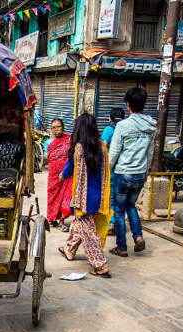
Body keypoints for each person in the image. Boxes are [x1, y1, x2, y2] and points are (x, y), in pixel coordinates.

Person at [58, 114, 112, 278]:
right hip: (99, 197)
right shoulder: (102, 147)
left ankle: (99, 264)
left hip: (83, 198)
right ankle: (69, 249)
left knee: (88, 231)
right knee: (79, 223)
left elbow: (70, 166)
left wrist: (62, 175)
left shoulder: (79, 149)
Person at [109, 87, 156, 257]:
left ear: (127, 105)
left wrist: (106, 169)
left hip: (123, 173)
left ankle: (121, 247)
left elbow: (113, 153)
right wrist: (146, 170)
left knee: (119, 210)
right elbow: (150, 152)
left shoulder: (122, 126)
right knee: (131, 205)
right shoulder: (151, 125)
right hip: (139, 173)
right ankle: (138, 237)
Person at [101, 108, 126, 234]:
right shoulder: (126, 129)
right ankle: (118, 223)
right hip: (125, 168)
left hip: (111, 168)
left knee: (110, 197)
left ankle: (111, 224)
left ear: (110, 118)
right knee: (120, 198)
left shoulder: (109, 130)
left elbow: (103, 147)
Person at [46, 118, 73, 230]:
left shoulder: (69, 139)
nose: (56, 129)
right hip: (53, 174)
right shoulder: (48, 142)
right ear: (51, 130)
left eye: (59, 127)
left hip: (66, 173)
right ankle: (52, 219)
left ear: (63, 127)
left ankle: (61, 220)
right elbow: (49, 158)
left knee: (65, 196)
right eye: (54, 127)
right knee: (52, 197)